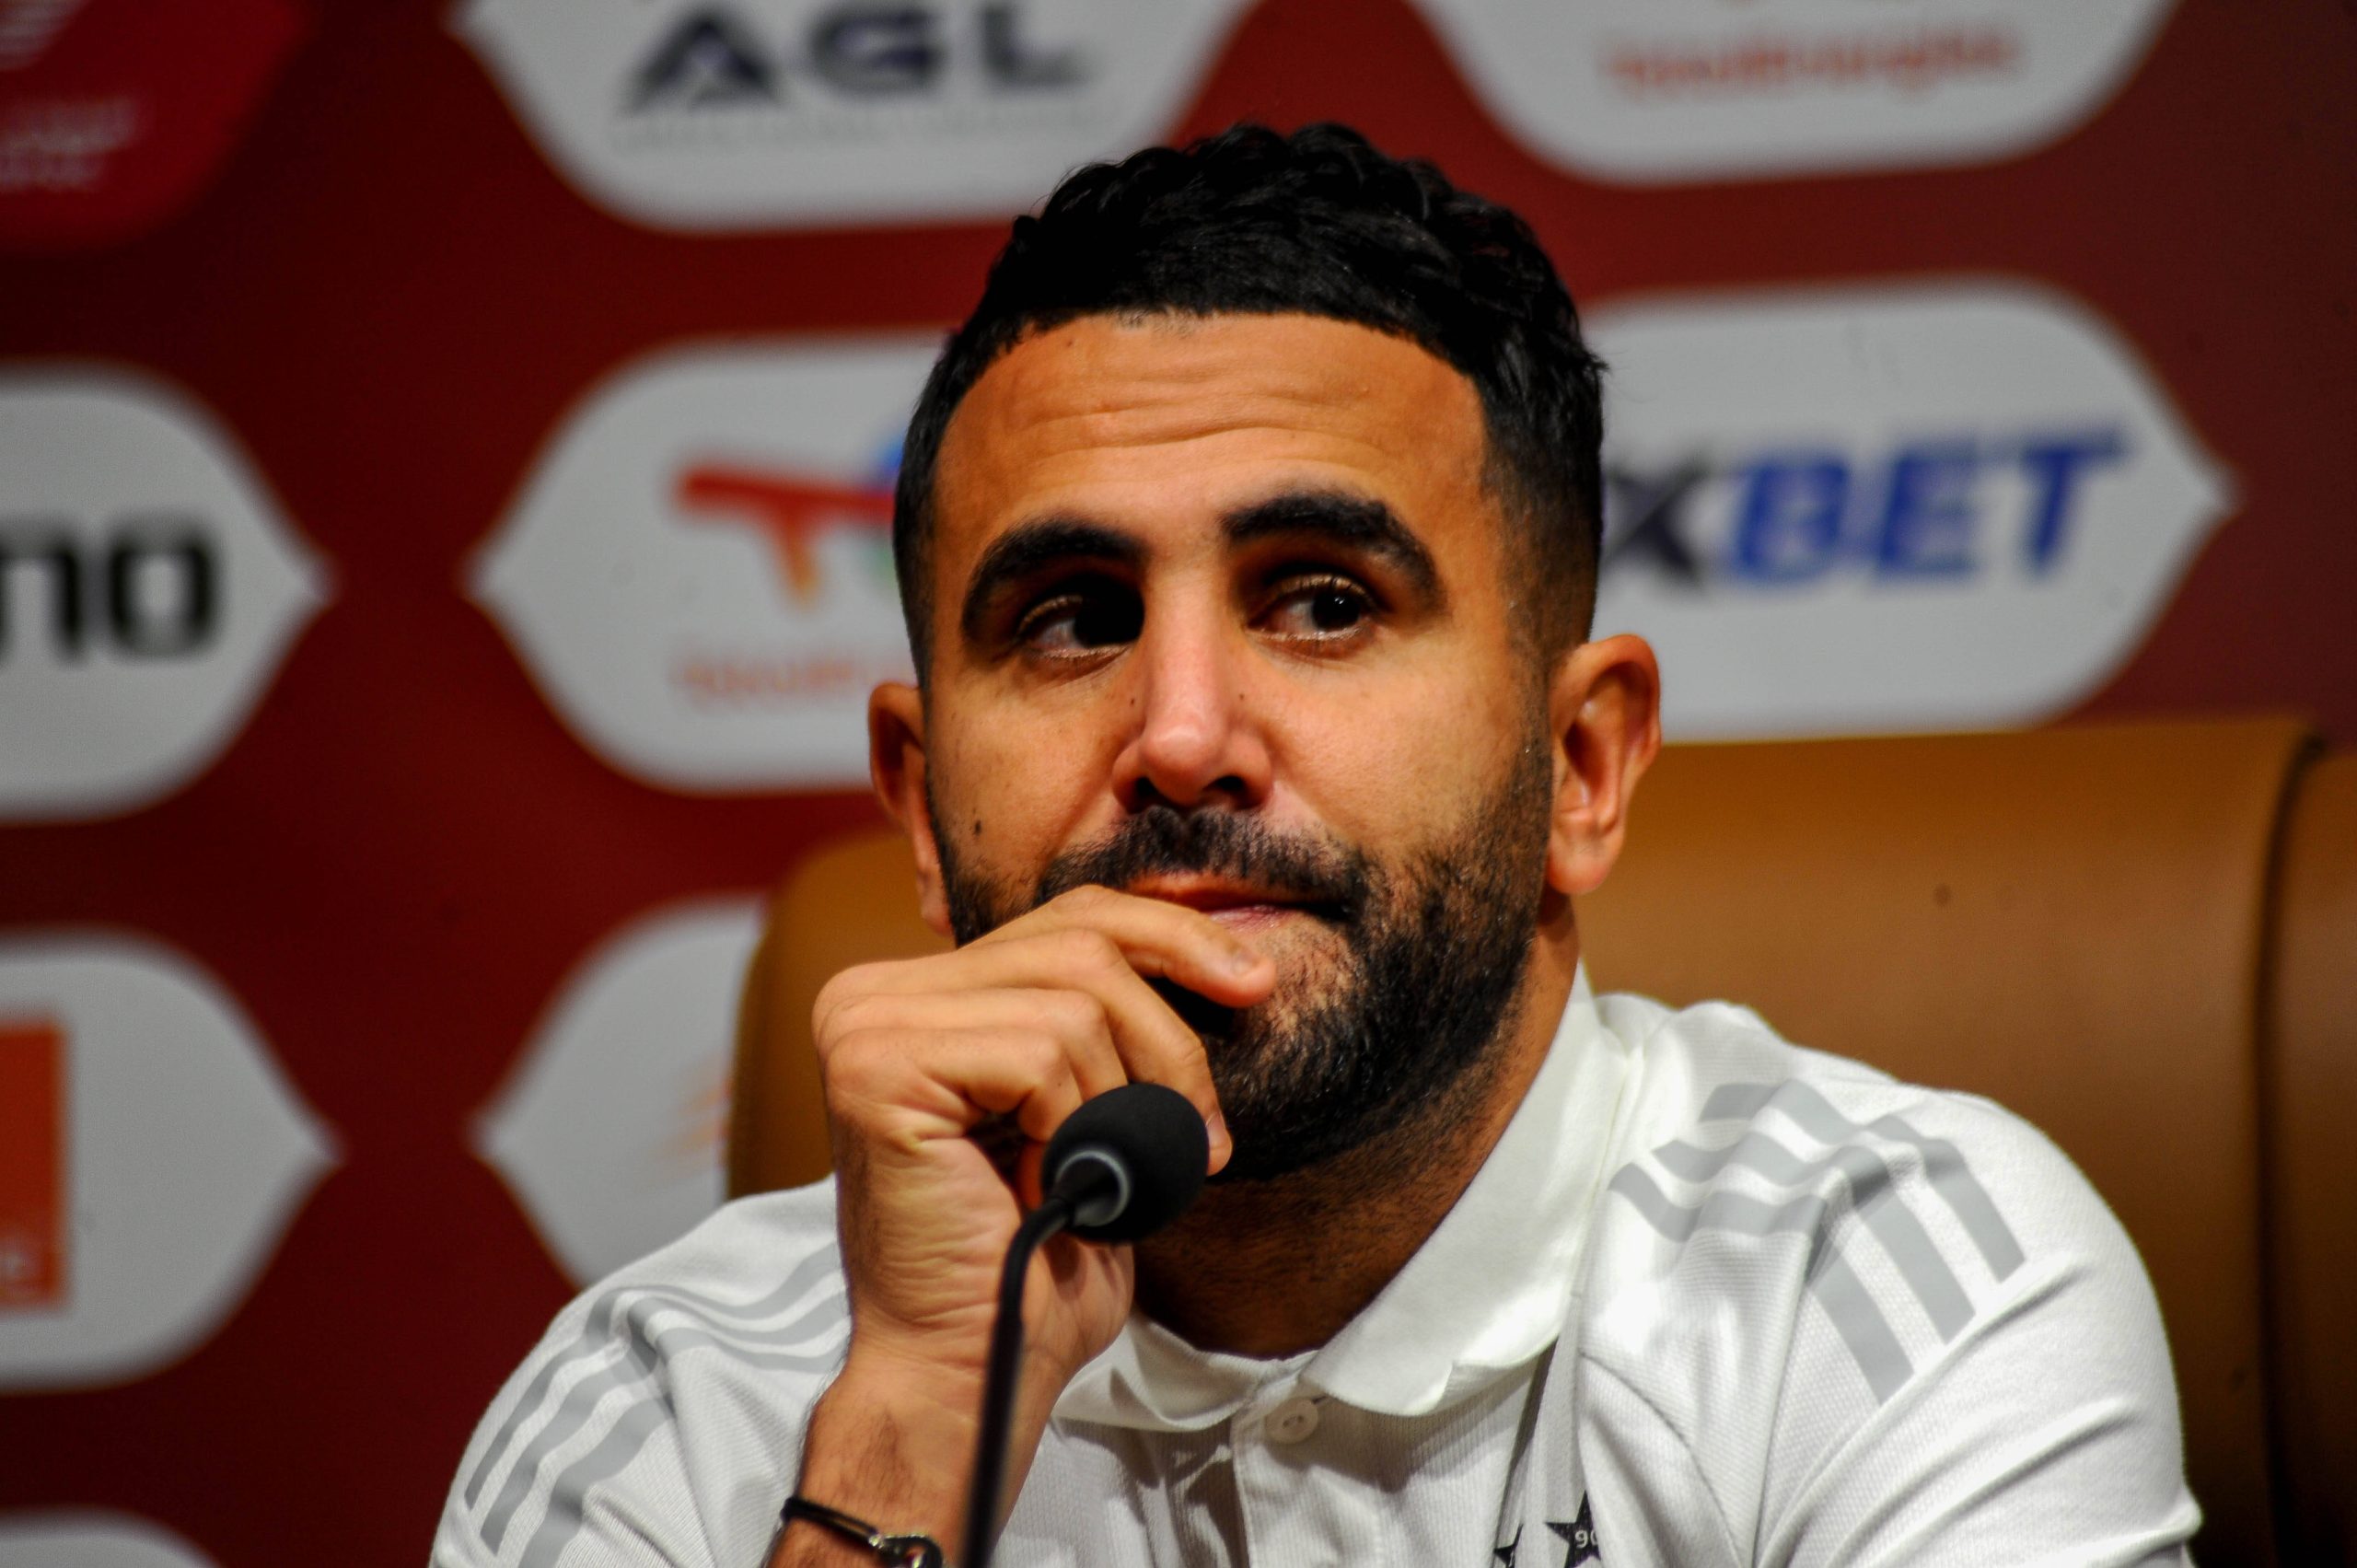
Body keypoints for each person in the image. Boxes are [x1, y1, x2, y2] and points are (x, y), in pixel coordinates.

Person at [433, 123, 2198, 1568]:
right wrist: (906, 1431)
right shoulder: (666, 1410)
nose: (1182, 735)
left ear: (1580, 767)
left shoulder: (1888, 1296)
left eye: (1327, 602)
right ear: (916, 800)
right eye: (1068, 620)